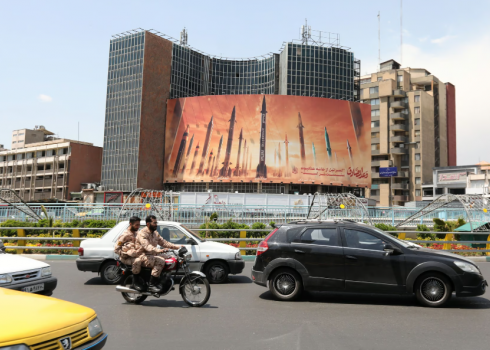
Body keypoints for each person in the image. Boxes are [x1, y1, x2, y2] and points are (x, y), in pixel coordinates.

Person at [136, 215, 182, 293]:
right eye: (154, 223)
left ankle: (164, 281)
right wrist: (159, 250)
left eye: (156, 222)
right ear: (148, 224)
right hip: (143, 255)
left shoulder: (155, 233)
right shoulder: (142, 233)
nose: (156, 224)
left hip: (152, 254)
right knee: (160, 261)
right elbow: (147, 246)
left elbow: (164, 242)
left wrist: (178, 247)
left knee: (170, 258)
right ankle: (151, 285)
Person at [114, 216, 145, 291]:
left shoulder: (137, 233)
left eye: (139, 225)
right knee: (137, 261)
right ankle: (135, 283)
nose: (138, 227)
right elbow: (116, 249)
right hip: (126, 258)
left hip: (135, 255)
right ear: (130, 224)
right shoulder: (125, 235)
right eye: (136, 225)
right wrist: (125, 254)